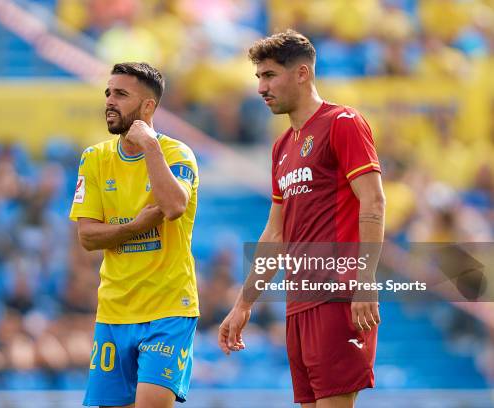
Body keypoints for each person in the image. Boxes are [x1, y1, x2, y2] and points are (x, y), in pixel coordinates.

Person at [218, 30, 385, 408]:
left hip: (338, 294)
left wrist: (365, 281)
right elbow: (275, 231)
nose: (261, 87)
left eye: (270, 75)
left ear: (302, 73)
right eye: (258, 77)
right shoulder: (281, 147)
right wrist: (244, 303)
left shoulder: (343, 122)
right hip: (300, 302)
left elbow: (373, 202)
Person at [69, 62, 200, 408]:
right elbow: (88, 237)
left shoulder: (176, 154)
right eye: (108, 93)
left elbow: (173, 207)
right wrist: (135, 227)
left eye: (121, 95)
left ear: (148, 108)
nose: (110, 101)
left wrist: (151, 147)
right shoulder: (94, 158)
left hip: (168, 308)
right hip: (114, 311)